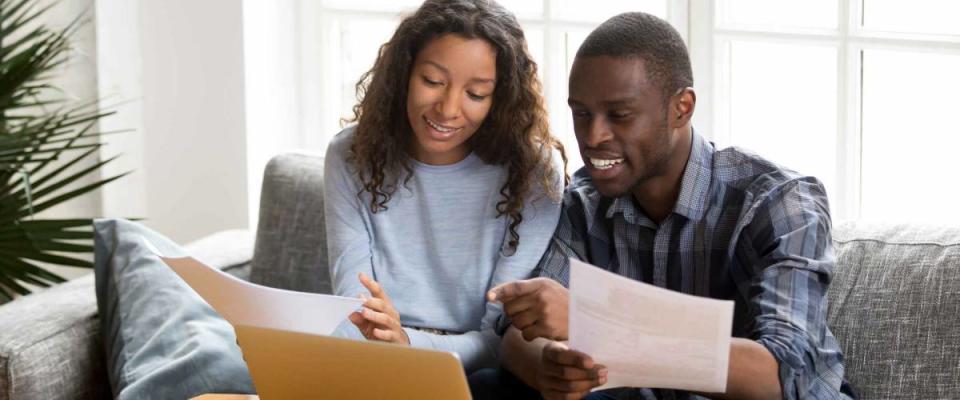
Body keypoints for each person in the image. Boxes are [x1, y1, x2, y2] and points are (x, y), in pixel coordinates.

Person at [476, 12, 856, 400]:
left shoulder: (778, 202)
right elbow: (514, 333)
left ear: (682, 108)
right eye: (581, 114)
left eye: (619, 115)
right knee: (491, 386)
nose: (592, 136)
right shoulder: (585, 203)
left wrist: (598, 327)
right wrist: (550, 364)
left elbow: (781, 375)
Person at [323, 0, 567, 374]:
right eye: (433, 82)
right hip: (371, 359)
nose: (448, 109)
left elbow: (500, 337)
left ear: (499, 99)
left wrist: (406, 343)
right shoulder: (351, 154)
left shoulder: (534, 171)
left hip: (474, 372)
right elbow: (353, 307)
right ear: (404, 73)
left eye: (476, 94)